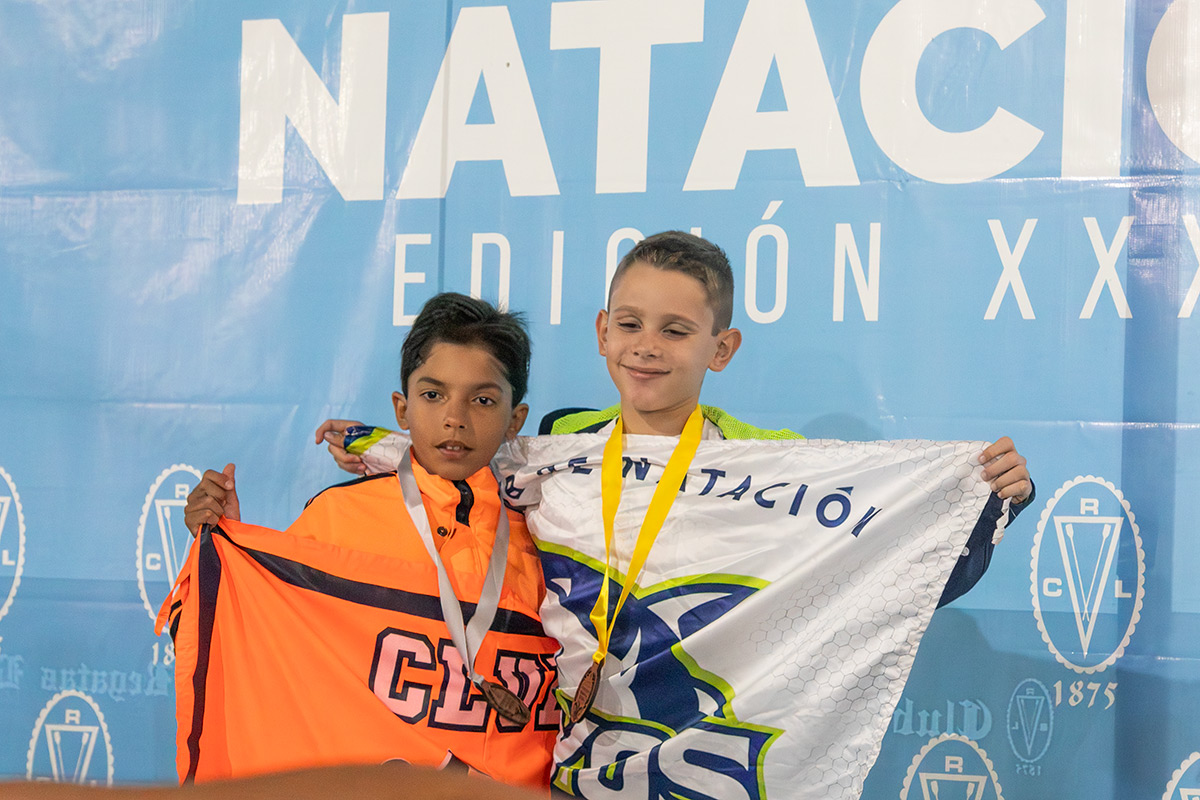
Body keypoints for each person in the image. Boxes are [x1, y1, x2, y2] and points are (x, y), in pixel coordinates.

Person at [317, 232, 1034, 798]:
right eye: (630, 324)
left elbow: (878, 573)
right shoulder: (559, 443)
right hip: (574, 767)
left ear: (721, 349)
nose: (647, 346)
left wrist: (984, 505)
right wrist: (381, 445)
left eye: (676, 330)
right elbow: (466, 453)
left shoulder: (774, 465)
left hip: (715, 766)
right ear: (602, 331)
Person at [174, 294, 558, 790]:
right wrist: (226, 562)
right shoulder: (338, 517)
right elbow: (238, 647)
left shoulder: (549, 538)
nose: (455, 418)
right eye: (433, 395)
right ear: (402, 408)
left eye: (482, 400)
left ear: (515, 419)